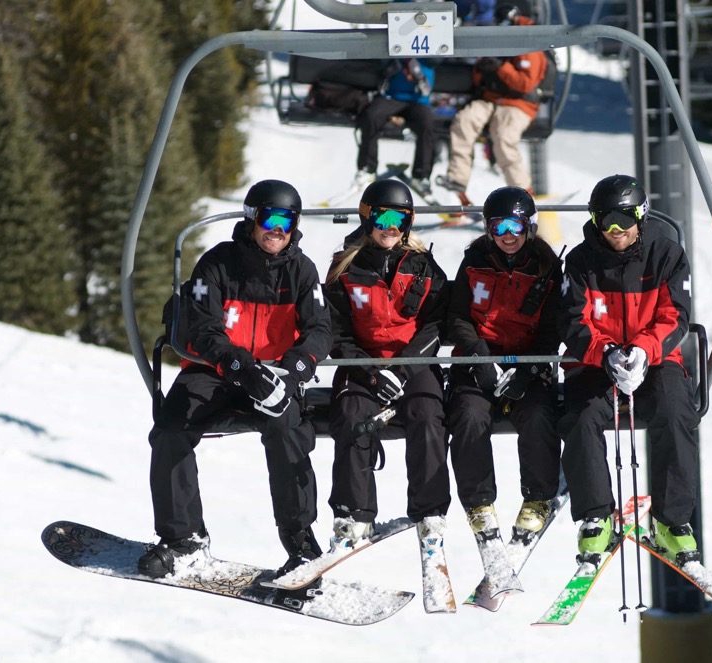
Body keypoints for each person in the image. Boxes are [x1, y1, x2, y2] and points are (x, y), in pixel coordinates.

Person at [138, 180, 332, 580]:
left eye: (288, 221)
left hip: (275, 375)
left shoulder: (301, 271)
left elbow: (320, 331)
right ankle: (183, 540)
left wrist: (294, 369)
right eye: (270, 218)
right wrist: (241, 367)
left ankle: (300, 541)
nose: (278, 230)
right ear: (251, 219)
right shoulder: (218, 264)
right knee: (172, 429)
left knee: (287, 428)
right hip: (217, 373)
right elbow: (203, 328)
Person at [557, 174, 701, 568]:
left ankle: (671, 521)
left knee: (675, 412)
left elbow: (677, 316)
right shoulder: (582, 261)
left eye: (624, 218)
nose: (615, 230)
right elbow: (573, 322)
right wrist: (604, 353)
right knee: (581, 416)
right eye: (606, 220)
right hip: (595, 361)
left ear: (641, 215)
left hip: (653, 359)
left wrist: (643, 349)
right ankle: (596, 515)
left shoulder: (666, 254)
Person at [323, 179, 451, 556]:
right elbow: (335, 330)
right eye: (382, 217)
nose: (390, 226)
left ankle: (430, 513)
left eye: (400, 217)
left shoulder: (423, 265)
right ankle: (353, 514)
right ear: (367, 218)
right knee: (350, 416)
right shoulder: (346, 267)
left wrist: (405, 368)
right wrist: (370, 372)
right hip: (363, 364)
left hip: (413, 362)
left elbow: (437, 324)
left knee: (428, 414)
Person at [444, 187, 563, 551]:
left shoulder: (546, 267)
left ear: (529, 227)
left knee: (539, 412)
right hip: (478, 361)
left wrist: (528, 370)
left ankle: (539, 496)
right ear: (488, 229)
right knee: (467, 414)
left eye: (516, 226)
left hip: (527, 360)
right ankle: (479, 504)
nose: (508, 236)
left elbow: (552, 328)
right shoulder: (475, 261)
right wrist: (480, 357)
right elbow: (458, 317)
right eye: (499, 227)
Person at [437, 3, 547, 195]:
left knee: (504, 138)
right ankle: (458, 178)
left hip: (517, 103)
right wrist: (483, 69)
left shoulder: (529, 40)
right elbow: (479, 76)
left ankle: (522, 191)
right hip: (490, 99)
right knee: (464, 121)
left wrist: (500, 68)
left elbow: (525, 83)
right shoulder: (493, 36)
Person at [355, 58, 437, 190]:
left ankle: (421, 175)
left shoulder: (428, 50)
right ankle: (367, 168)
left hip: (418, 100)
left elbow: (438, 58)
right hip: (392, 96)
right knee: (372, 116)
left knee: (427, 123)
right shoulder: (396, 49)